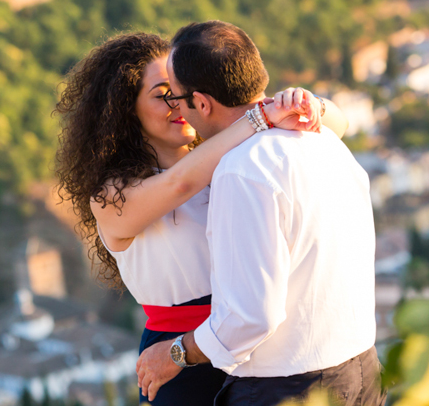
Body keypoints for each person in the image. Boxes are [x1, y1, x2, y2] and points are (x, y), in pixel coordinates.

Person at [55, 32, 348, 406]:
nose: (179, 102)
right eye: (163, 94)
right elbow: (180, 183)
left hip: (258, 345)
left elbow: (337, 128)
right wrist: (260, 118)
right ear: (125, 110)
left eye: (181, 90)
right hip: (179, 361)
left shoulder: (230, 156)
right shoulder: (111, 195)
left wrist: (307, 105)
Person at [135, 21, 383, 406]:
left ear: (201, 103)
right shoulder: (327, 143)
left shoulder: (241, 171)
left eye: (178, 100)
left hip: (288, 388)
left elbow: (250, 317)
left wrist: (173, 354)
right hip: (363, 370)